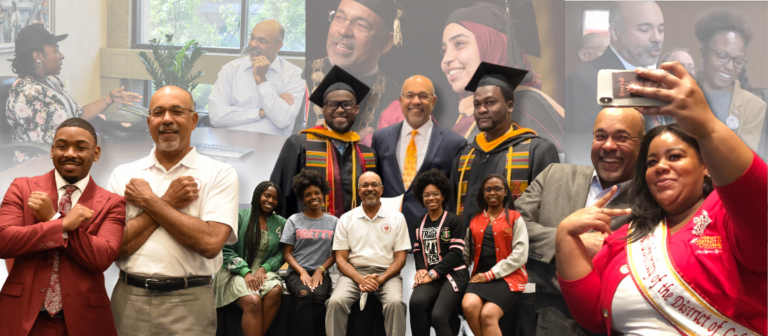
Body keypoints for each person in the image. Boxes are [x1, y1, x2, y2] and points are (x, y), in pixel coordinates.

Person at [557, 63, 766, 335]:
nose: (660, 166)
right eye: (652, 161)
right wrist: (564, 237)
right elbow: (594, 316)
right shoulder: (627, 236)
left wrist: (706, 126)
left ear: (706, 166)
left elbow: (756, 196)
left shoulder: (727, 214)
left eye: (675, 156)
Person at [107, 86, 239, 336]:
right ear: (149, 122)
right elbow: (113, 246)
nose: (167, 119)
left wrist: (150, 201)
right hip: (128, 299)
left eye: (176, 111)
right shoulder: (124, 175)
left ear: (194, 120)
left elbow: (210, 243)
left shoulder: (219, 173)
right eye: (158, 113)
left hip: (190, 302)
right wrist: (167, 200)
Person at [514, 107, 645, 335]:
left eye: (622, 137)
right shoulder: (554, 174)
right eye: (600, 136)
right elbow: (510, 227)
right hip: (529, 315)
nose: (608, 145)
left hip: (601, 324)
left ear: (643, 145)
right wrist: (568, 242)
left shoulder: (650, 202)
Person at [0, 118, 125, 336]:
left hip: (84, 321)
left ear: (96, 154)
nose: (69, 153)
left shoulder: (112, 202)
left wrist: (52, 218)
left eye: (80, 147)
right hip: (22, 319)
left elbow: (102, 257)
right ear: (51, 151)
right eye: (61, 146)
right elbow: (4, 241)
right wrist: (62, 224)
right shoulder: (22, 187)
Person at [435, 2, 564, 154]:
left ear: (494, 46)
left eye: (459, 44)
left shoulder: (526, 107)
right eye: (443, 50)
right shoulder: (467, 112)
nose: (446, 59)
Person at [6, 24, 142, 165]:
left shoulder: (51, 80)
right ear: (38, 56)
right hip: (41, 166)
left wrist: (110, 97)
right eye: (56, 51)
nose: (62, 56)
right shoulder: (26, 93)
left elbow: (77, 114)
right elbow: (47, 144)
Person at [450, 62, 559, 229]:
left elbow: (549, 213)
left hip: (517, 251)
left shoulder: (537, 150)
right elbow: (452, 210)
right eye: (477, 105)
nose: (482, 110)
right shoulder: (465, 155)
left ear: (510, 106)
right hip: (468, 250)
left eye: (490, 102)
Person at [565, 1, 664, 166]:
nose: (657, 38)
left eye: (660, 29)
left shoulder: (656, 79)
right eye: (644, 29)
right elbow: (582, 155)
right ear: (615, 32)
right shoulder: (585, 79)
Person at [271, 65, 377, 218]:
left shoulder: (367, 154)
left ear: (356, 109)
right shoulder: (300, 144)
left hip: (357, 238)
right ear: (323, 109)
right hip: (310, 237)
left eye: (347, 104)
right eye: (332, 104)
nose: (340, 110)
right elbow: (281, 196)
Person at [370, 75, 466, 242]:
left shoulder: (454, 143)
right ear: (401, 100)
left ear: (434, 101)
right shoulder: (380, 138)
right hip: (386, 235)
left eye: (423, 96)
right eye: (409, 95)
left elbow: (455, 197)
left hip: (432, 237)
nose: (416, 101)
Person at [307, 0, 404, 146]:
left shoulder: (400, 103)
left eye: (361, 25)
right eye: (339, 17)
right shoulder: (298, 77)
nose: (343, 31)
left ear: (387, 42)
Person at [326, 171, 410, 336]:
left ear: (382, 189)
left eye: (374, 185)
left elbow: (400, 259)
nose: (370, 188)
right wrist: (359, 278)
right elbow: (340, 259)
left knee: (395, 303)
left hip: (387, 274)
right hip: (353, 274)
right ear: (358, 190)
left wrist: (381, 279)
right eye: (365, 185)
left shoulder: (397, 218)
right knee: (335, 303)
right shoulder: (346, 218)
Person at [208, 19, 305, 137]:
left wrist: (261, 79)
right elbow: (216, 116)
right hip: (229, 145)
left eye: (262, 41)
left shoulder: (294, 74)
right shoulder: (230, 69)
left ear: (278, 46)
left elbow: (283, 121)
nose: (253, 44)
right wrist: (264, 112)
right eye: (252, 38)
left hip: (272, 150)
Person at [214, 181, 285, 336]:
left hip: (263, 271)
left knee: (275, 290)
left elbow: (282, 253)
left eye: (275, 198)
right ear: (258, 195)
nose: (270, 201)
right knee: (253, 300)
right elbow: (225, 250)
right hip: (235, 272)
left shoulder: (281, 223)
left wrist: (263, 268)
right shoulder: (240, 217)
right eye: (267, 196)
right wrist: (246, 272)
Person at [462, 174, 529, 336]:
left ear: (506, 192)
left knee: (488, 315)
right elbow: (465, 255)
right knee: (469, 306)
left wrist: (490, 275)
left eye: (497, 189)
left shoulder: (515, 218)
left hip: (509, 276)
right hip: (480, 275)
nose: (493, 193)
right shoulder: (475, 220)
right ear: (483, 194)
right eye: (488, 189)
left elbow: (521, 255)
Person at [695, 9, 765, 152]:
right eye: (722, 56)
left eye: (737, 60)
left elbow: (746, 158)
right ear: (704, 54)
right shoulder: (683, 94)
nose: (729, 67)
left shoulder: (754, 106)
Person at [408, 169, 468, 336]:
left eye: (435, 193)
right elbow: (418, 250)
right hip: (431, 275)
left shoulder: (454, 220)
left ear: (443, 196)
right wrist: (420, 269)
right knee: (416, 304)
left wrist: (433, 274)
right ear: (422, 198)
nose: (431, 198)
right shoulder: (419, 222)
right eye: (426, 195)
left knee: (439, 316)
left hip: (454, 274)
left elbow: (455, 254)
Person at [281, 169, 337, 336]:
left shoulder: (334, 221)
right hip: (296, 274)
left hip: (322, 273)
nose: (314, 197)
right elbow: (287, 253)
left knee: (320, 297)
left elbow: (336, 253)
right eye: (308, 194)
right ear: (302, 198)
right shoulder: (294, 220)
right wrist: (303, 272)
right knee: (304, 295)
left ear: (324, 194)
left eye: (317, 193)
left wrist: (320, 269)